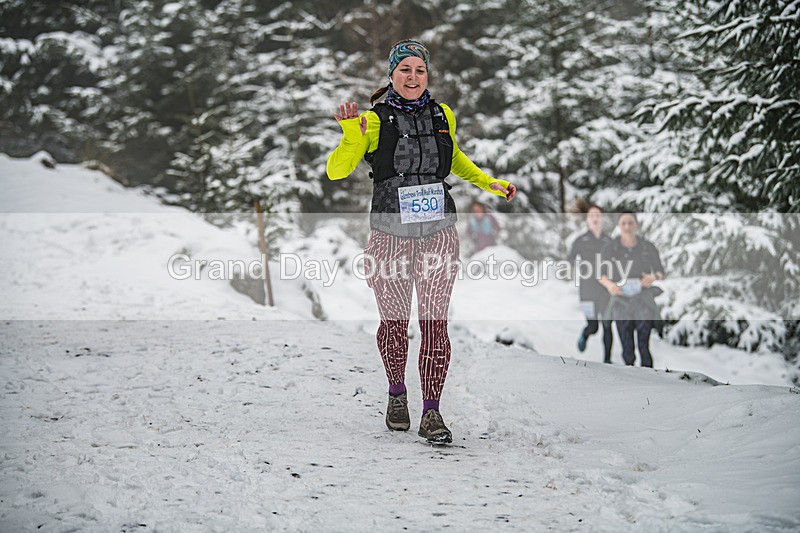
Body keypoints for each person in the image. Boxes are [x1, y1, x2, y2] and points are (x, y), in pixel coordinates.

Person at [326, 39, 517, 443]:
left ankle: (432, 412)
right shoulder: (373, 121)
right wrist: (350, 134)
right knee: (395, 324)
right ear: (391, 75)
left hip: (438, 233)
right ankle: (397, 393)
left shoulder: (442, 114)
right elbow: (336, 171)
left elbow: (454, 158)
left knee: (434, 324)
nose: (413, 77)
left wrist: (489, 183)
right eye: (405, 70)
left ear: (427, 75)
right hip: (390, 237)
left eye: (420, 70)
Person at [598, 212, 665, 368]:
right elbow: (600, 275)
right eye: (623, 223)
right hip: (620, 300)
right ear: (619, 226)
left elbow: (660, 271)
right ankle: (631, 376)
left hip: (643, 299)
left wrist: (653, 277)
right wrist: (611, 286)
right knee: (627, 349)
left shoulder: (647, 247)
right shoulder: (610, 248)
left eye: (630, 223)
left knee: (644, 346)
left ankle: (650, 377)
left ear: (637, 225)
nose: (627, 226)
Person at [567, 204, 613, 363]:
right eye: (592, 215)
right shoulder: (580, 240)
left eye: (598, 215)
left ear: (602, 219)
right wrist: (571, 267)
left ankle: (607, 360)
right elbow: (570, 259)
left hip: (605, 288)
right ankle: (586, 333)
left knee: (607, 324)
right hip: (587, 289)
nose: (595, 218)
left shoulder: (609, 241)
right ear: (587, 219)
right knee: (594, 327)